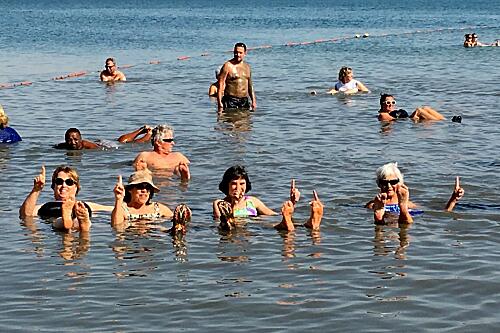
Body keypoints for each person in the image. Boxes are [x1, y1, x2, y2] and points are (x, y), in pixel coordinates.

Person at [19, 165, 113, 232]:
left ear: (76, 187)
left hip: (76, 218)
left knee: (76, 220)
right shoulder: (44, 207)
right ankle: (72, 221)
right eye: (59, 181)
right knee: (59, 222)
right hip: (58, 222)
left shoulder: (84, 206)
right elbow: (25, 214)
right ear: (53, 186)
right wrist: (36, 190)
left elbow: (112, 209)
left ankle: (81, 222)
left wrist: (121, 200)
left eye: (69, 182)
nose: (63, 185)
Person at [365, 162, 465, 224]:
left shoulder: (409, 204)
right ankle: (380, 219)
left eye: (393, 182)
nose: (389, 186)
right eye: (384, 183)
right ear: (379, 184)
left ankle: (401, 210)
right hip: (386, 220)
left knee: (407, 221)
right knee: (385, 221)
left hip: (403, 217)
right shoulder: (373, 204)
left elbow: (443, 213)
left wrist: (453, 198)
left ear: (400, 183)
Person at [111, 170, 191, 234]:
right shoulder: (123, 210)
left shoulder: (158, 208)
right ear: (130, 190)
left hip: (154, 236)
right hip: (132, 238)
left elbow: (174, 219)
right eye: (140, 187)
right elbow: (116, 227)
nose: (144, 191)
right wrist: (118, 199)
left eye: (148, 188)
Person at [217, 42, 256, 111]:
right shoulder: (227, 66)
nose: (238, 55)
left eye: (240, 53)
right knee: (232, 120)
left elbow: (250, 86)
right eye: (236, 52)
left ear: (245, 53)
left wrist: (254, 101)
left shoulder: (247, 67)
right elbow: (221, 84)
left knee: (245, 121)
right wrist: (219, 103)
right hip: (230, 100)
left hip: (244, 101)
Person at [55, 126, 153, 150]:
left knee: (123, 143)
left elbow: (99, 149)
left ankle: (149, 134)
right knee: (121, 141)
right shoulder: (63, 145)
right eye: (69, 140)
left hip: (103, 144)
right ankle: (142, 130)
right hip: (98, 141)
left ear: (80, 139)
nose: (72, 142)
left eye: (75, 139)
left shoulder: (87, 145)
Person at [377, 94, 452, 122]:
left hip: (409, 118)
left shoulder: (394, 111)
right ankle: (445, 123)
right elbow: (395, 120)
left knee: (426, 108)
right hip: (409, 121)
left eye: (393, 102)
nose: (391, 105)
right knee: (419, 110)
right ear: (382, 104)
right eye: (388, 103)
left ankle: (446, 120)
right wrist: (414, 117)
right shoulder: (383, 114)